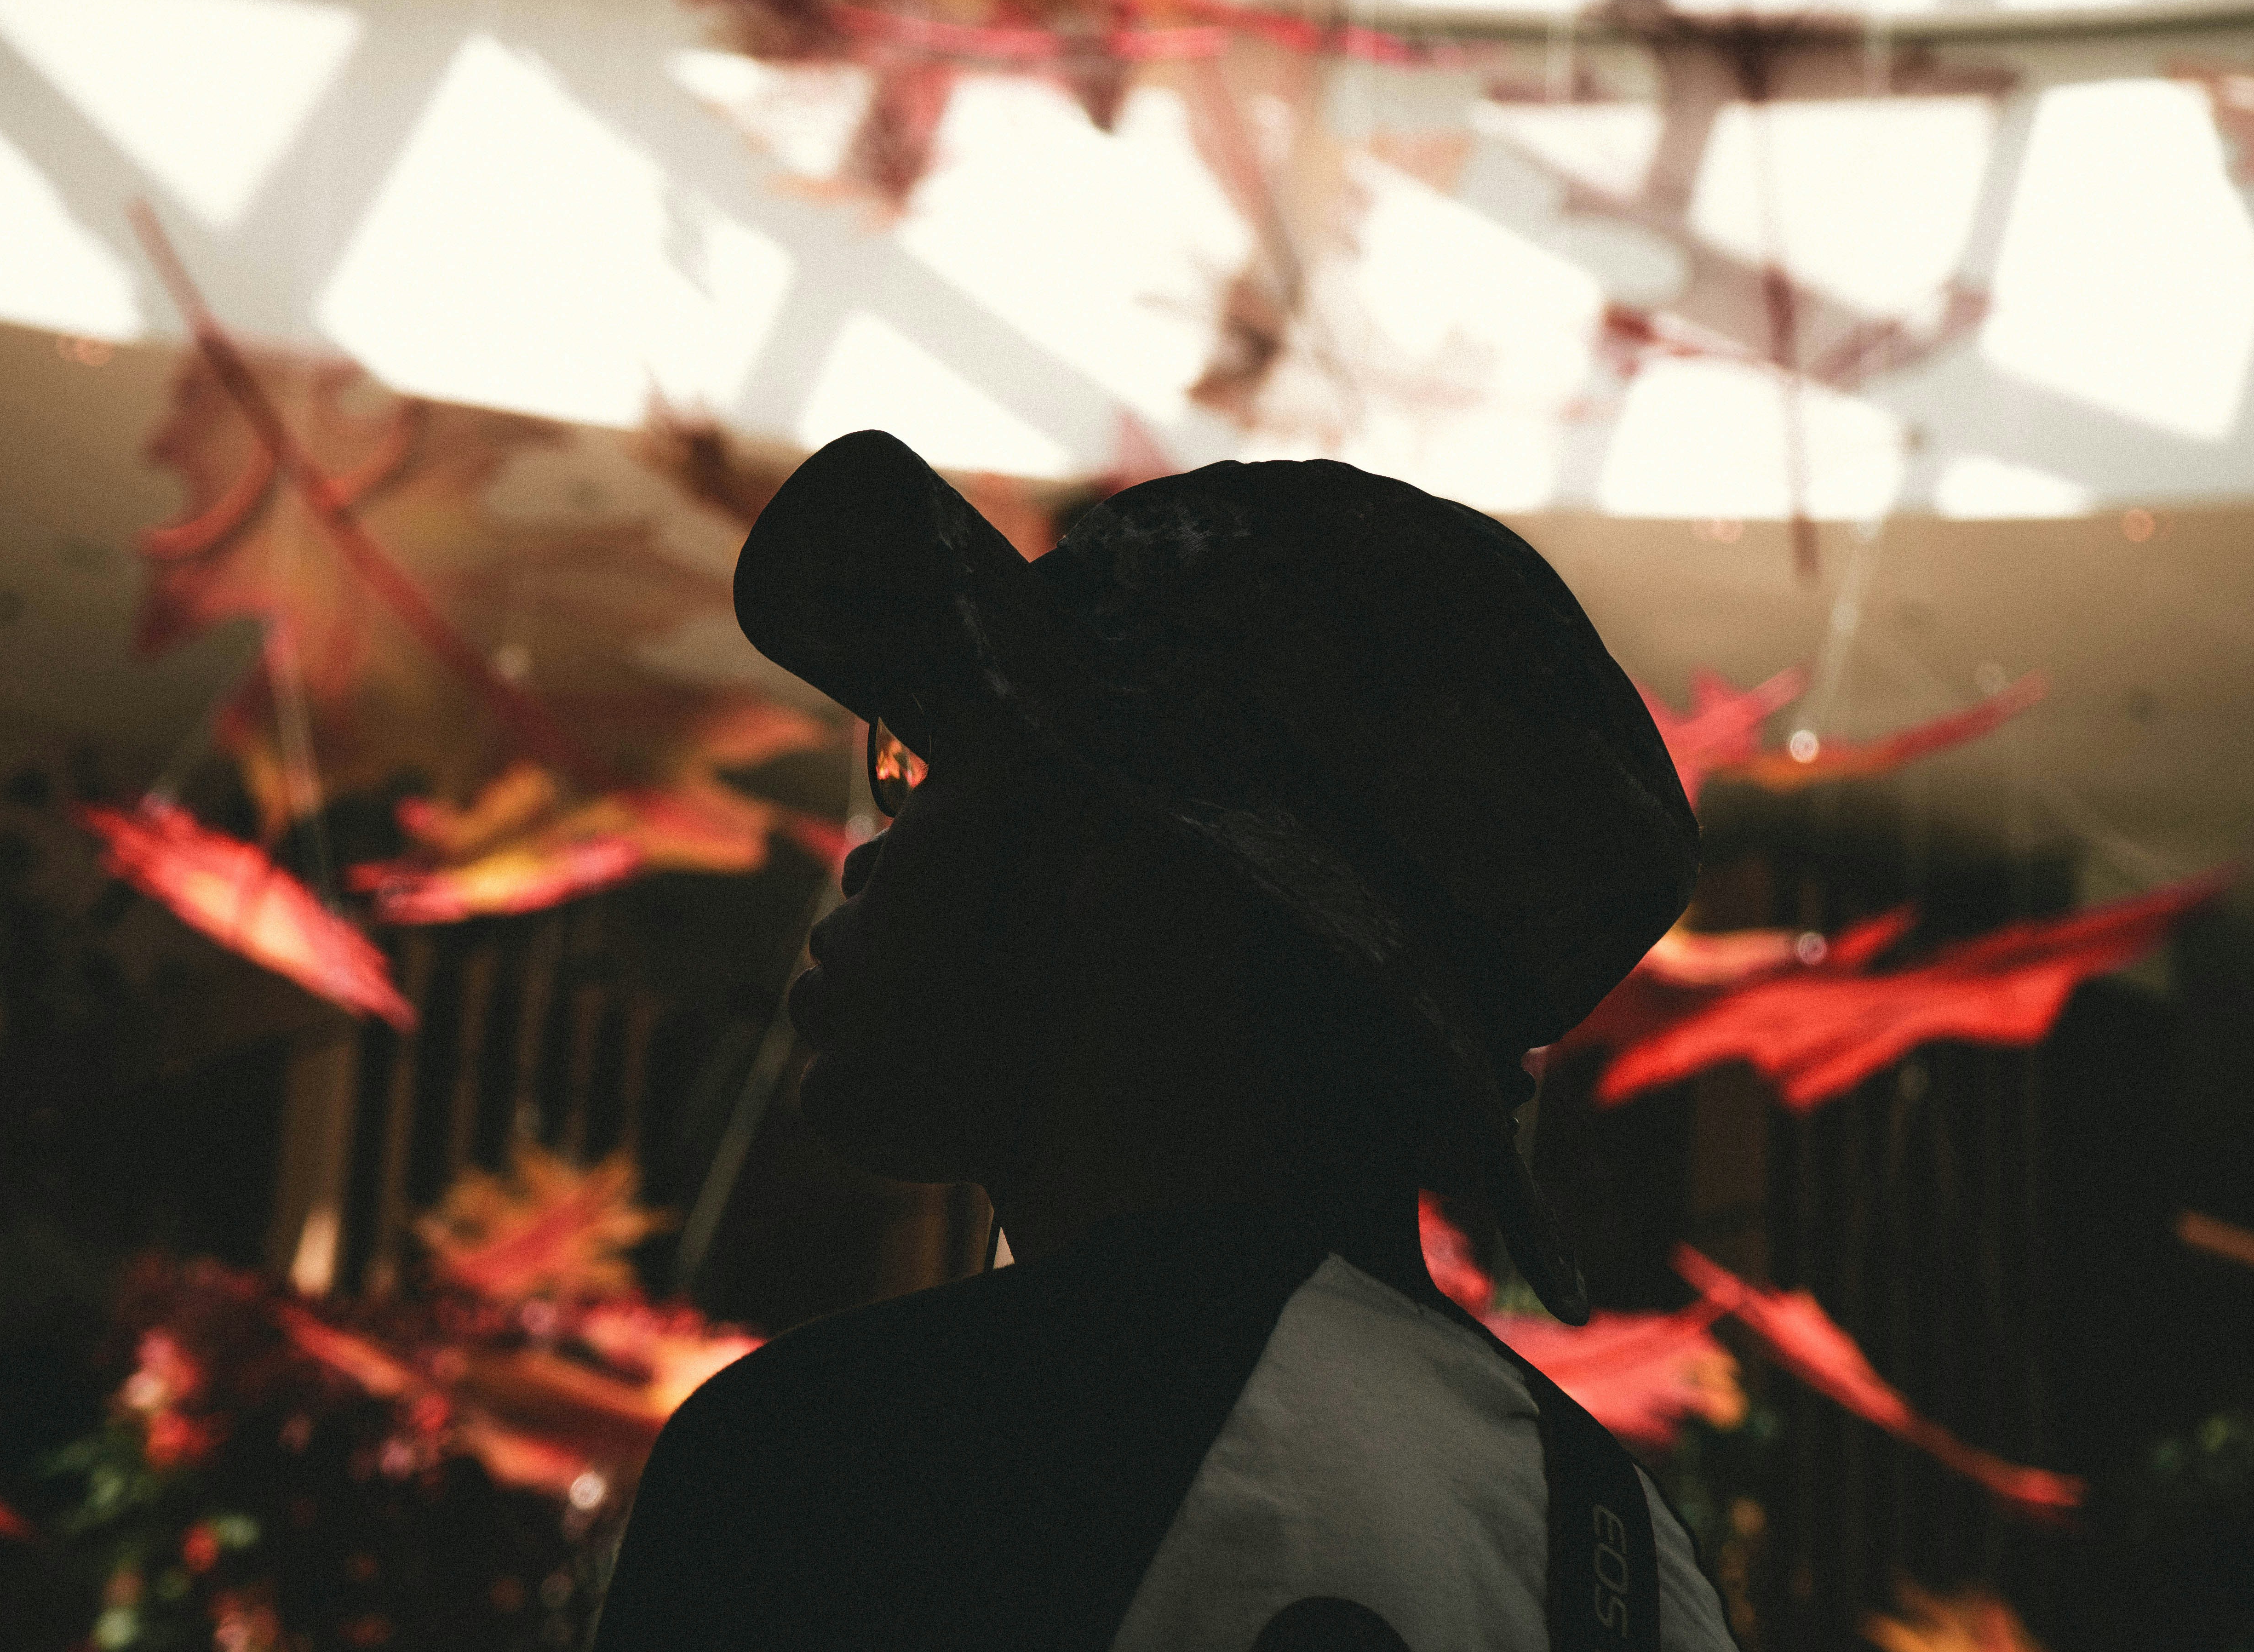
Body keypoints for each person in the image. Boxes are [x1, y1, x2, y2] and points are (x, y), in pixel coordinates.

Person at [593, 431, 1736, 1652]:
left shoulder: (870, 1452)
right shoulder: (1629, 1561)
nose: (867, 853)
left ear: (1134, 871)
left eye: (926, 767)